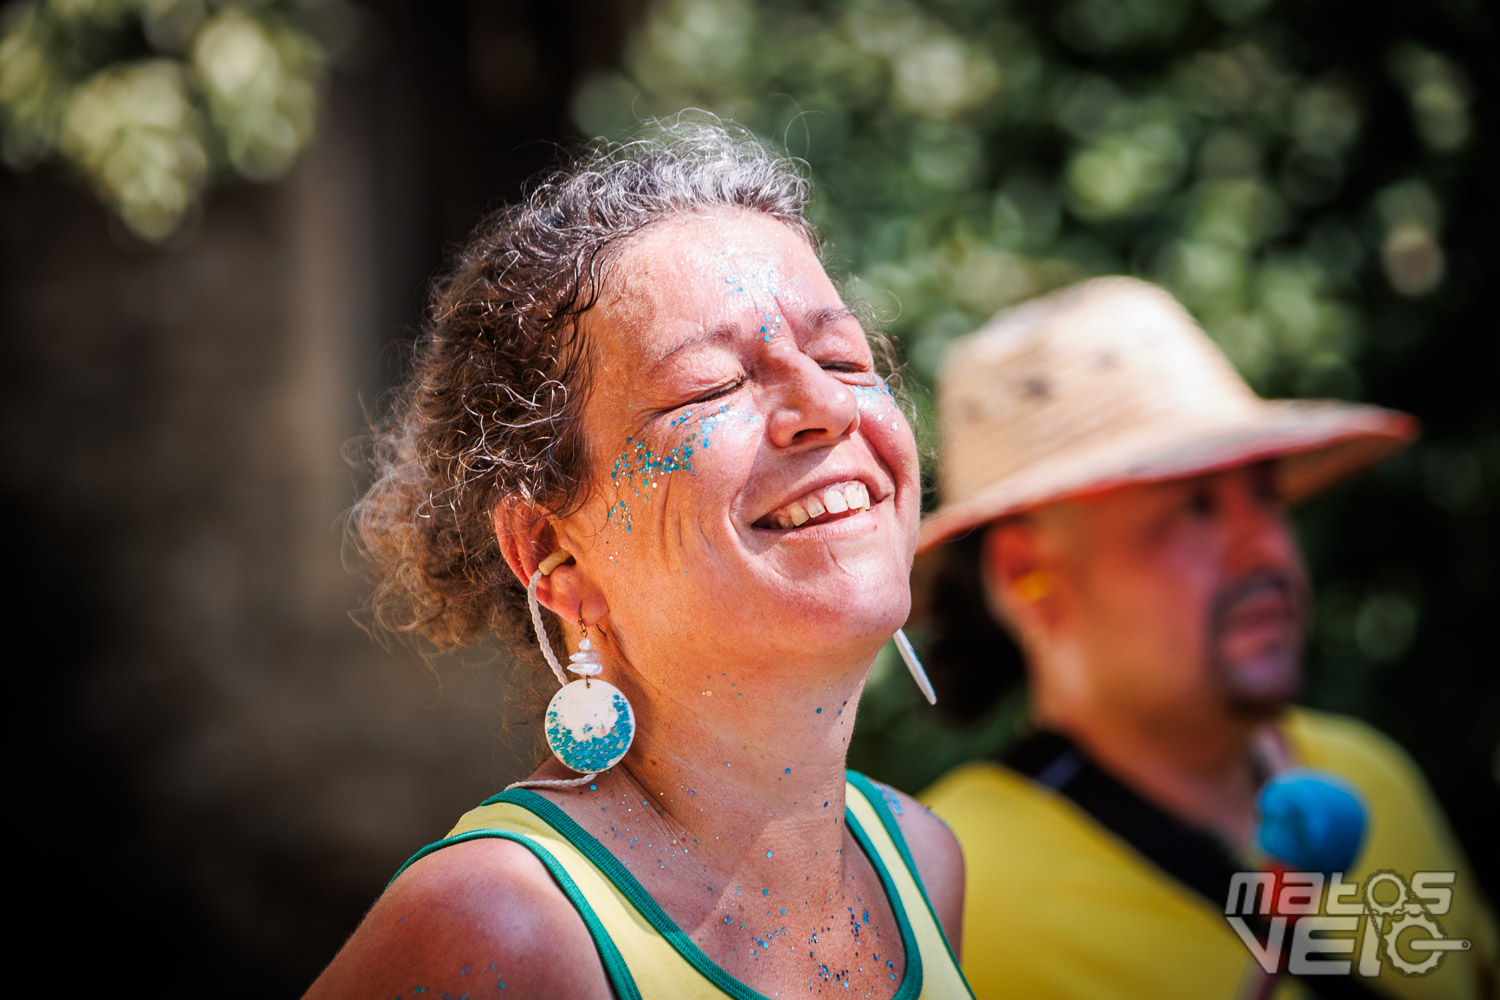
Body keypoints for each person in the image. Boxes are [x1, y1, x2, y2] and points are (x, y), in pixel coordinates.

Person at [305, 120, 972, 1000]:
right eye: (713, 386)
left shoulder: (923, 864)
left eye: (841, 357)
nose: (824, 405)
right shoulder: (499, 926)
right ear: (554, 553)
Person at [918, 277, 1497, 999]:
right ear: (1027, 572)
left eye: (1263, 494)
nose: (1266, 549)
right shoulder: (950, 889)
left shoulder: (1374, 779)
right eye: (1194, 508)